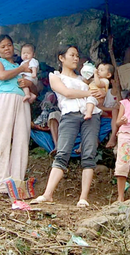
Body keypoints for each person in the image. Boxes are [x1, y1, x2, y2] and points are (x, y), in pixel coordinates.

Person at [31, 44, 104, 207]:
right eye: (72, 55)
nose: (76, 58)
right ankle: (48, 194)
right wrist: (89, 93)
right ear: (61, 58)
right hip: (69, 114)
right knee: (62, 152)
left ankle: (83, 198)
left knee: (89, 154)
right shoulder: (55, 76)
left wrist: (97, 93)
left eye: (77, 56)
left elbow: (97, 95)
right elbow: (67, 93)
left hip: (91, 114)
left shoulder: (83, 79)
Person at [0, 34, 32, 194]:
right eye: (3, 46)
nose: (7, 48)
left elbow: (33, 87)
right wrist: (21, 69)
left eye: (9, 45)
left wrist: (28, 83)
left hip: (22, 100)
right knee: (2, 138)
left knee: (22, 139)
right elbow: (2, 75)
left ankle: (17, 183)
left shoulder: (17, 65)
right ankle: (1, 182)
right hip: (4, 98)